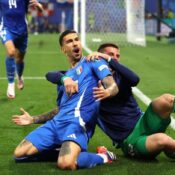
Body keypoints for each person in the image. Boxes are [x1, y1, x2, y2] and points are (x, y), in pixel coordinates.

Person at [14, 42, 175, 160]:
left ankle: (169, 149)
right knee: (164, 139)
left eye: (117, 56)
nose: (115, 58)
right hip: (130, 139)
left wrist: (110, 60)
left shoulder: (120, 76)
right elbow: (52, 76)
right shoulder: (87, 81)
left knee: (167, 99)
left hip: (144, 120)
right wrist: (34, 119)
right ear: (97, 56)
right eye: (111, 54)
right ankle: (169, 148)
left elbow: (135, 79)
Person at [13, 30, 118, 170]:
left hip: (76, 124)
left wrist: (108, 92)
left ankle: (104, 156)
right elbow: (60, 109)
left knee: (66, 164)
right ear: (63, 50)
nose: (75, 43)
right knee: (19, 154)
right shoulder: (65, 77)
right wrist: (33, 119)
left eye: (76, 39)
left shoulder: (92, 62)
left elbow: (112, 85)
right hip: (56, 124)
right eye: (69, 41)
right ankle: (64, 150)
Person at [0, 0, 43, 99]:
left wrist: (38, 6)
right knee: (11, 52)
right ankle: (11, 84)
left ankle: (19, 77)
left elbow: (40, 8)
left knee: (20, 59)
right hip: (6, 28)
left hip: (22, 31)